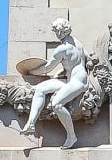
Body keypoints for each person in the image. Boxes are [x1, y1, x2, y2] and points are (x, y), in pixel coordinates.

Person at [22, 19, 89, 149]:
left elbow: (47, 68)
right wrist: (63, 70)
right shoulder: (77, 42)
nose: (56, 33)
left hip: (78, 81)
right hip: (71, 79)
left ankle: (71, 136)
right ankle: (31, 123)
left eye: (56, 31)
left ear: (61, 31)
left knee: (57, 104)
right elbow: (85, 57)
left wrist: (30, 71)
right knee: (40, 89)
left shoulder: (61, 49)